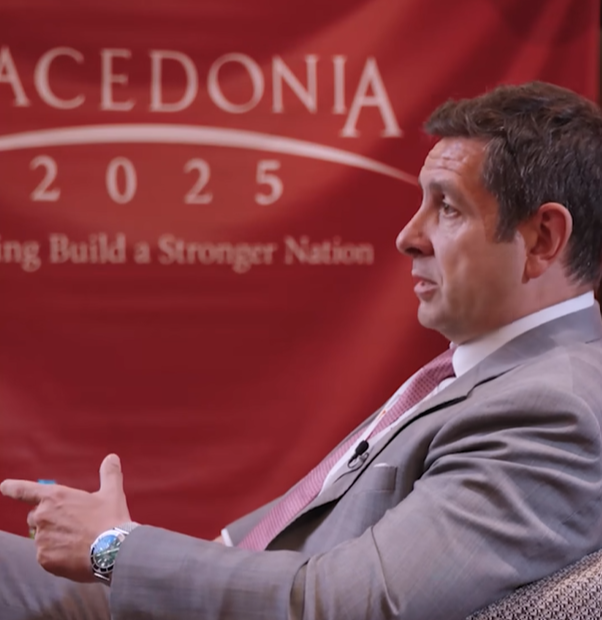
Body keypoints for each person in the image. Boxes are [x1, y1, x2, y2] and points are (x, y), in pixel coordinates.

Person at [1, 80, 602, 620]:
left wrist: (112, 549)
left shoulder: (552, 411)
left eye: (447, 207)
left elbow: (352, 606)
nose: (408, 236)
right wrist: (116, 548)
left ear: (542, 238)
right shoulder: (479, 372)